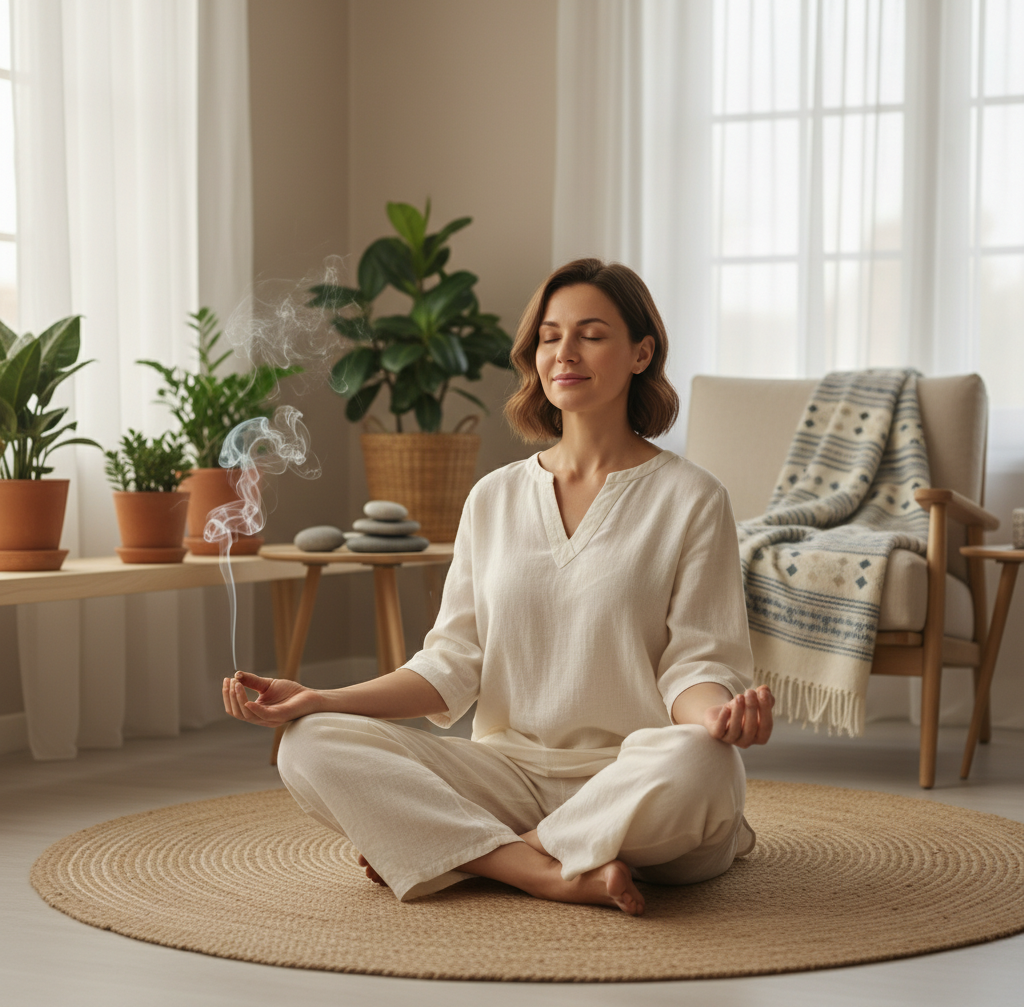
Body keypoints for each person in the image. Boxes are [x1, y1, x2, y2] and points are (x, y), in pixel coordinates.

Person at [223, 258, 774, 917]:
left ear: (641, 352)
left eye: (591, 334)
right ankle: (542, 870)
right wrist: (319, 697)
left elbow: (697, 661)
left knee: (706, 765)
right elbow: (453, 664)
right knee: (309, 742)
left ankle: (483, 855)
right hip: (504, 777)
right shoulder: (494, 497)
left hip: (635, 778)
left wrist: (717, 718)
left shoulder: (692, 497)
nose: (564, 352)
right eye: (548, 336)